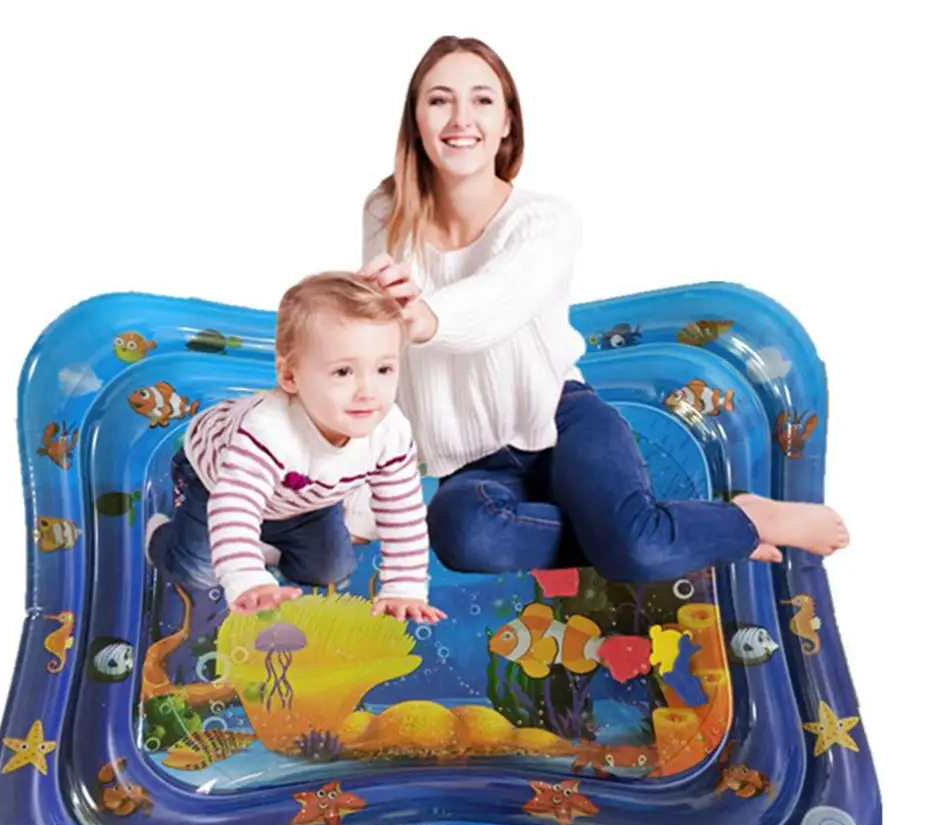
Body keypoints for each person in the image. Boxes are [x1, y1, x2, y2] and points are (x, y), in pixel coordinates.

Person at [354, 35, 850, 583]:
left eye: (482, 100)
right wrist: (357, 494)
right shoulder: (385, 215)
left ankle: (742, 521)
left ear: (507, 122)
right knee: (464, 535)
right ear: (416, 117)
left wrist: (425, 316)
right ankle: (667, 529)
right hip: (472, 463)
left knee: (637, 553)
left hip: (563, 421)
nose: (460, 118)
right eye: (439, 100)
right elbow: (380, 361)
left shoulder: (544, 220)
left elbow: (500, 299)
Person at [146, 271, 446, 624]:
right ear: (290, 377)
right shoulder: (270, 431)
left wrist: (404, 587)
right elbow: (234, 506)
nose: (368, 391)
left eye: (383, 369)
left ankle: (262, 544)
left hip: (304, 498)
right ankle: (161, 538)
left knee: (331, 569)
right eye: (343, 372)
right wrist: (248, 579)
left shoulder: (390, 430)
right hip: (215, 478)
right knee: (198, 571)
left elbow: (402, 509)